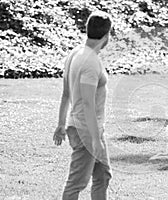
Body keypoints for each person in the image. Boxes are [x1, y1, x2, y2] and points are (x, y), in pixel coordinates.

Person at [53, 11, 113, 200]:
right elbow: (87, 103)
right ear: (107, 35)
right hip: (86, 130)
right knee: (76, 183)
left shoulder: (75, 53)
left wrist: (61, 124)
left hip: (88, 128)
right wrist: (95, 139)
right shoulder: (90, 62)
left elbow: (66, 93)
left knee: (103, 175)